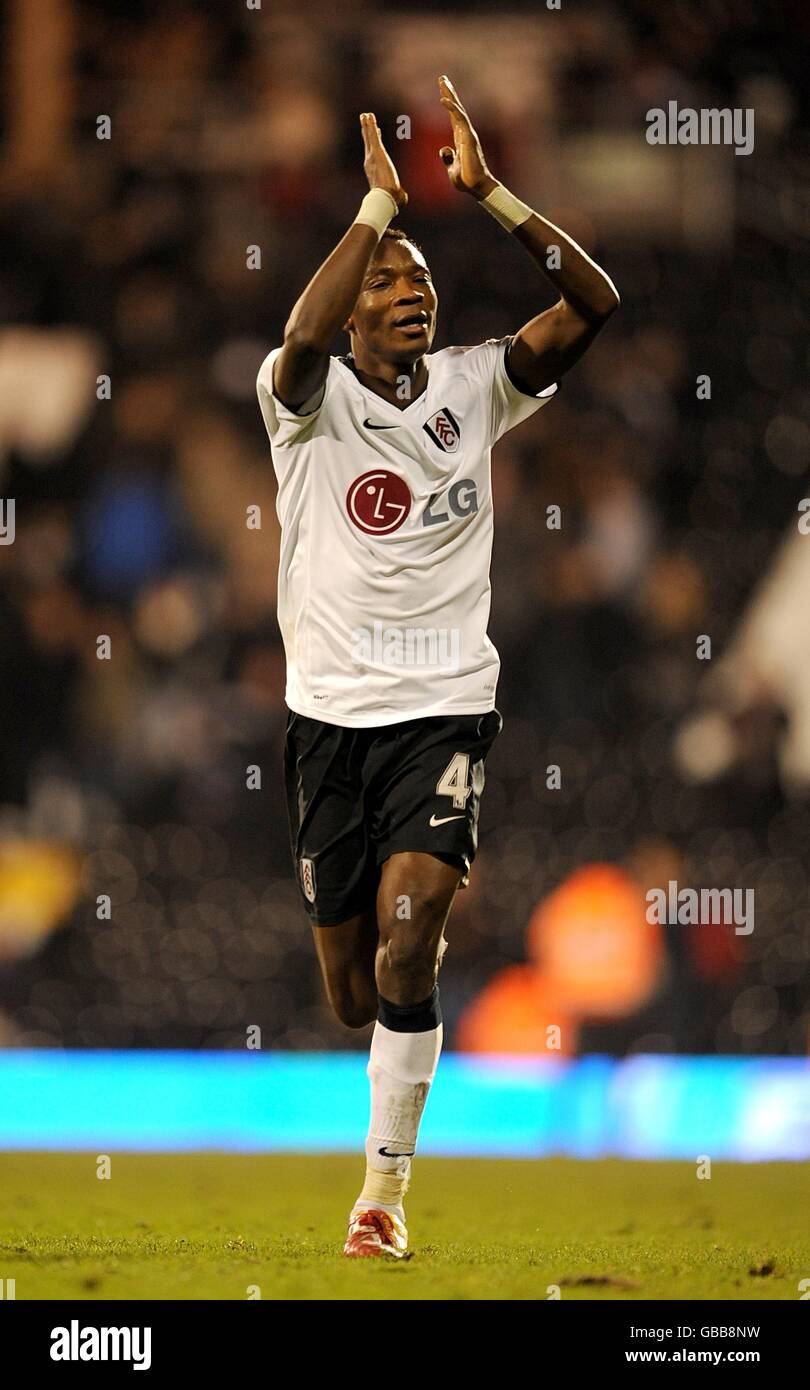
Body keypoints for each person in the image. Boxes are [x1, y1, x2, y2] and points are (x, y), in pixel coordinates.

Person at [256, 75, 619, 1259]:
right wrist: (371, 210)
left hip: (447, 708)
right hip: (329, 719)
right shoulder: (300, 404)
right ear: (352, 304)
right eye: (386, 279)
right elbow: (300, 338)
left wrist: (494, 195)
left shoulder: (476, 384)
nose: (409, 291)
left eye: (418, 276)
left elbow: (593, 300)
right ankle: (391, 1037)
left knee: (413, 937)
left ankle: (383, 1196)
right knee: (354, 995)